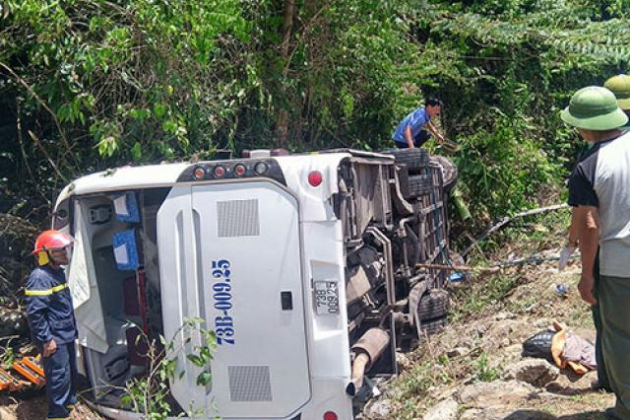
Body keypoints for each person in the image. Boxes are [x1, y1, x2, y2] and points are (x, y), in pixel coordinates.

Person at [561, 86, 630, 419]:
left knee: (620, 336)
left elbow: (589, 224)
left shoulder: (588, 165)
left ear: (582, 125)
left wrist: (586, 275)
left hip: (619, 264)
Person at [25, 230, 78, 420]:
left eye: (65, 250)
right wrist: (46, 340)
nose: (65, 254)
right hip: (54, 337)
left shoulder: (57, 273)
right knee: (59, 376)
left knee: (70, 371)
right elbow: (35, 314)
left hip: (65, 334)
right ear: (46, 254)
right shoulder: (40, 277)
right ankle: (57, 414)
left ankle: (69, 405)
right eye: (60, 251)